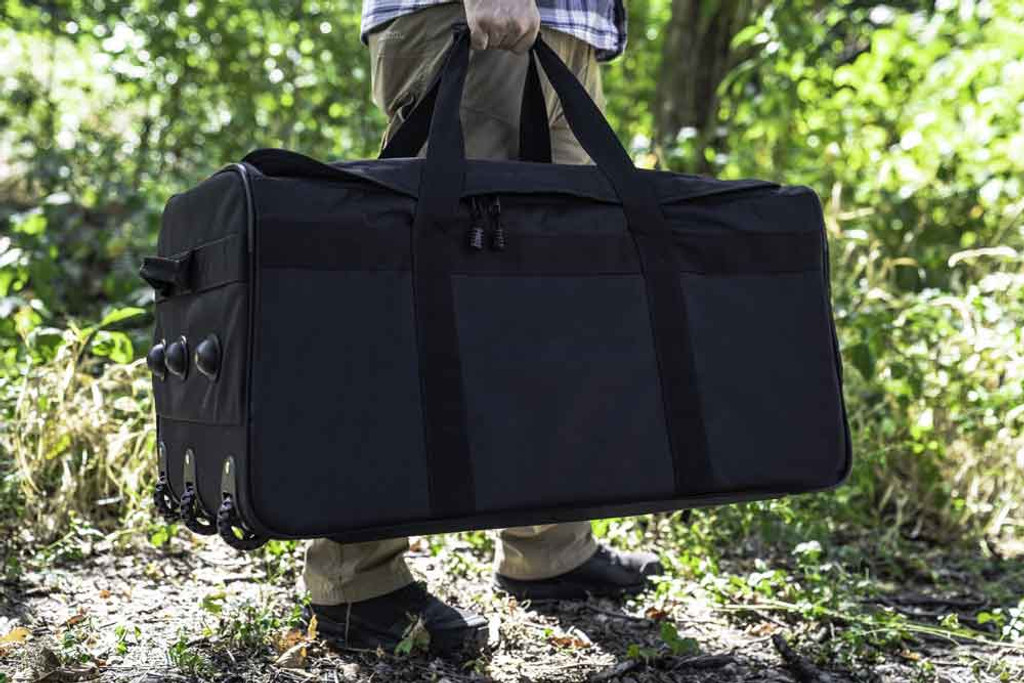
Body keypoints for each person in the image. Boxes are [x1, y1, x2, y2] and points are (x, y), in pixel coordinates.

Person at [303, 0, 663, 657]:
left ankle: (549, 545)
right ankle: (354, 578)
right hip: (475, 20)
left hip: (565, 33)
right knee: (424, 303)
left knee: (554, 307)